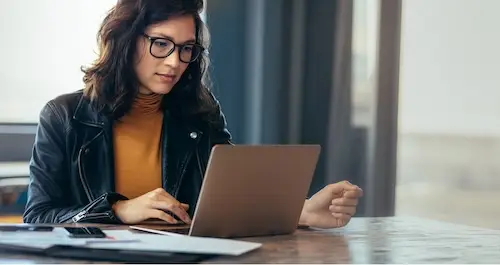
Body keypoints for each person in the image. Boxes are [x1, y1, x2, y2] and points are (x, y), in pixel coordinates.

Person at [23, 0, 363, 229]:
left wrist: (301, 211)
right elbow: (38, 217)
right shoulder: (64, 116)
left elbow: (231, 198)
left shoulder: (199, 111)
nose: (175, 62)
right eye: (161, 43)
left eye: (186, 48)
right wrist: (118, 210)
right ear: (125, 40)